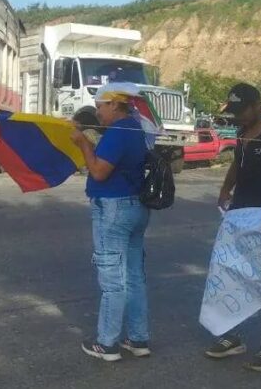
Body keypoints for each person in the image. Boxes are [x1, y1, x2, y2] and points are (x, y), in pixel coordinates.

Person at [204, 83, 261, 372]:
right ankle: (233, 337)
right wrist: (225, 188)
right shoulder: (242, 136)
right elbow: (236, 167)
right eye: (234, 112)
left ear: (257, 105)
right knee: (234, 278)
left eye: (241, 110)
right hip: (238, 219)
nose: (238, 117)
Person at [70, 85, 151, 362]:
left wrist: (82, 144)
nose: (98, 111)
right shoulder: (135, 128)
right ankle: (138, 338)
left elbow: (99, 172)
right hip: (136, 207)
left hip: (113, 209)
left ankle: (107, 344)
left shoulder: (118, 132)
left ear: (115, 105)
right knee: (134, 277)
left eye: (101, 105)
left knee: (113, 280)